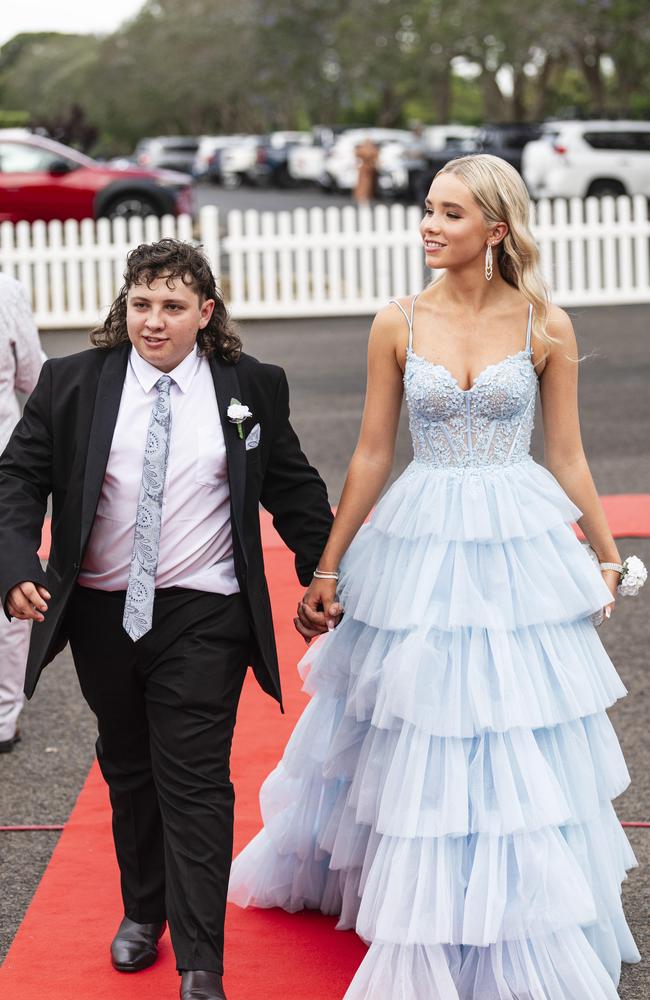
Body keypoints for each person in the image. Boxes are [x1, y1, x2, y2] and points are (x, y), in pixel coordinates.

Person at [228, 154, 641, 998]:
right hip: (419, 534)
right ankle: (417, 901)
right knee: (417, 722)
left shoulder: (545, 325)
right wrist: (329, 565)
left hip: (516, 540)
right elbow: (373, 452)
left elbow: (565, 451)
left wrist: (605, 553)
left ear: (496, 228)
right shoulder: (397, 323)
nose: (428, 224)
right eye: (427, 208)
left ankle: (515, 910)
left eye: (449, 213)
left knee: (512, 727)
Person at [0, 239, 333, 1000]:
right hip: (100, 610)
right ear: (126, 306)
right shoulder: (72, 383)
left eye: (173, 307)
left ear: (204, 313)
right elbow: (16, 478)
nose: (154, 321)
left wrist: (326, 571)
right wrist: (16, 564)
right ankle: (143, 910)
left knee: (194, 777)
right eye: (142, 304)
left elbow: (293, 486)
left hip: (204, 609)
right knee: (128, 766)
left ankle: (202, 961)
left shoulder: (250, 387)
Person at [0, 274, 45, 753]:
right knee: (10, 588)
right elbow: (34, 377)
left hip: (5, 468)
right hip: (5, 463)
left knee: (12, 587)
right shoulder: (5, 290)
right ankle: (3, 717)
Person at [353, 137, 379, 204]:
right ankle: (362, 196)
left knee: (368, 184)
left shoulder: (368, 149)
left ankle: (366, 196)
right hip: (366, 168)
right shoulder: (369, 149)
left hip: (368, 168)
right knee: (364, 184)